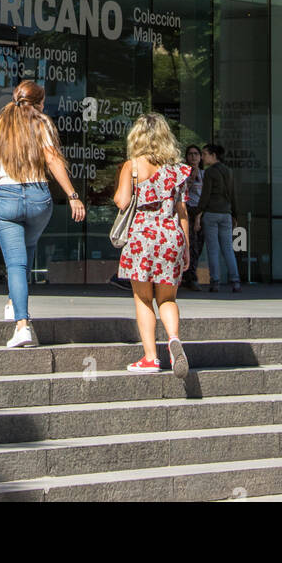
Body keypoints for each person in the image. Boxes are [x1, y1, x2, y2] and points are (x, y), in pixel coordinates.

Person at [0, 79, 85, 347]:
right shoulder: (42, 122)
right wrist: (72, 195)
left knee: (16, 263)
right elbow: (52, 159)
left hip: (7, 197)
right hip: (39, 197)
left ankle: (22, 325)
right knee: (27, 250)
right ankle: (14, 301)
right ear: (39, 102)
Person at [113, 113, 192, 378]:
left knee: (144, 299)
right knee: (167, 298)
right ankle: (173, 339)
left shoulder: (132, 166)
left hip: (142, 238)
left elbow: (122, 202)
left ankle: (150, 358)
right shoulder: (178, 171)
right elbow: (183, 212)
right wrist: (187, 249)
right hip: (171, 237)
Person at [196, 143, 241, 293]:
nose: (202, 157)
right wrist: (235, 213)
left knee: (213, 250)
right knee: (228, 248)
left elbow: (205, 196)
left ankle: (215, 281)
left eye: (205, 154)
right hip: (226, 214)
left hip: (212, 213)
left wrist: (198, 213)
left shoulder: (209, 173)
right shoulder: (228, 171)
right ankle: (235, 281)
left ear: (213, 155)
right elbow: (234, 194)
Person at [181, 143, 205, 290]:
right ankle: (189, 276)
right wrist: (191, 178)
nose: (193, 157)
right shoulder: (183, 173)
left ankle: (191, 274)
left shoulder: (204, 174)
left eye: (196, 154)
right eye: (190, 154)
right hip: (187, 209)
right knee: (190, 244)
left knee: (199, 244)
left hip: (199, 210)